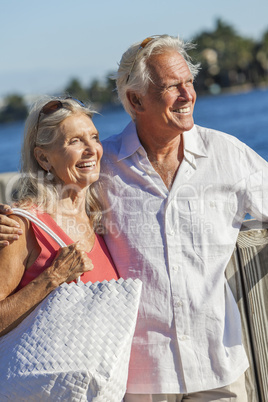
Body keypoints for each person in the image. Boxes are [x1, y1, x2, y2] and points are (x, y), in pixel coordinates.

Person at [0, 35, 267, 401]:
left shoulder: (229, 155)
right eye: (172, 86)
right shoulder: (100, 163)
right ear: (135, 99)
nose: (188, 94)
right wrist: (9, 219)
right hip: (138, 379)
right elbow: (46, 194)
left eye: (189, 82)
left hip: (217, 366)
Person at [0, 96, 118, 337]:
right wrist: (52, 278)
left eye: (94, 138)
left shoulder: (99, 219)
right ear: (43, 158)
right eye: (75, 141)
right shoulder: (22, 225)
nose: (91, 150)